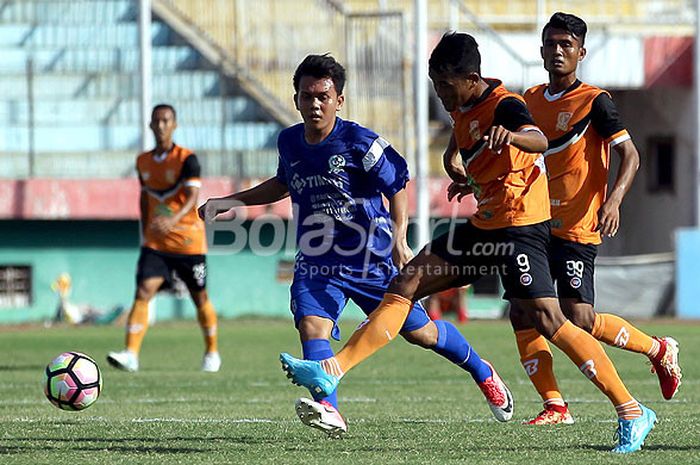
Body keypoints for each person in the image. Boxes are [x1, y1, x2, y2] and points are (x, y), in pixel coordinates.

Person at [280, 32, 657, 454]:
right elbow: (467, 150)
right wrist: (466, 175)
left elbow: (538, 140)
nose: (439, 94)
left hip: (519, 230)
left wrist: (512, 137)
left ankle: (630, 409)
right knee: (406, 283)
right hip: (486, 224)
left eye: (445, 85)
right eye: (435, 84)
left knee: (551, 321)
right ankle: (332, 370)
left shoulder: (506, 105)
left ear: (471, 78)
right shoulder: (463, 109)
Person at [199, 54, 513, 438]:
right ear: (296, 98)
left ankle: (483, 371)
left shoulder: (359, 141)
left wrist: (399, 237)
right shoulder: (289, 142)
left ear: (339, 100)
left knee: (422, 334)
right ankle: (328, 408)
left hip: (370, 260)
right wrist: (229, 202)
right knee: (312, 326)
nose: (315, 104)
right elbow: (282, 183)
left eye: (323, 96)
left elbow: (397, 182)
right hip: (317, 263)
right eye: (307, 96)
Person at [510, 12, 682, 426]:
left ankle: (658, 349)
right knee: (521, 309)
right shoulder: (529, 100)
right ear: (541, 50)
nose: (557, 51)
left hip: (577, 225)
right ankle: (555, 406)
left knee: (580, 318)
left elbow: (632, 155)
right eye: (551, 44)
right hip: (533, 224)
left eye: (566, 45)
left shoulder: (594, 100)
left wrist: (613, 200)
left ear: (581, 52)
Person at [107, 104, 221, 373]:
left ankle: (212, 352)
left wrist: (172, 219)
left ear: (174, 125)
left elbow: (193, 196)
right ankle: (131, 354)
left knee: (199, 297)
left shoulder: (187, 159)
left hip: (188, 242)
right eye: (156, 121)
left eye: (166, 121)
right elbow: (145, 195)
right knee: (143, 292)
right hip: (156, 244)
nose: (160, 126)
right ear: (150, 125)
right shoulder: (142, 161)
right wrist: (146, 229)